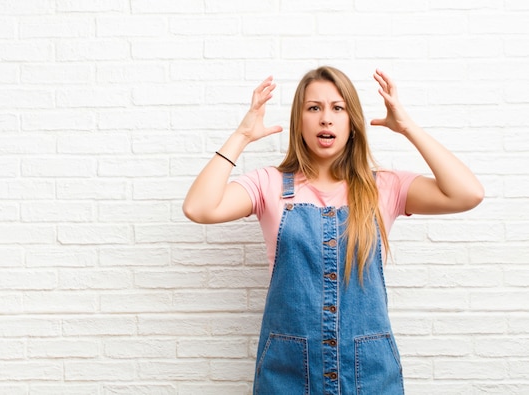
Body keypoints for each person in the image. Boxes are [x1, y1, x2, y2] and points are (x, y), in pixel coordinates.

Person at [182, 66, 484, 394]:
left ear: (352, 122)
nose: (326, 118)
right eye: (314, 108)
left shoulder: (384, 186)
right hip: (288, 373)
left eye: (337, 108)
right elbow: (199, 207)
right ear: (299, 122)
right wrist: (241, 135)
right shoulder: (268, 183)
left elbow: (467, 193)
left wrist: (408, 127)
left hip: (368, 373)